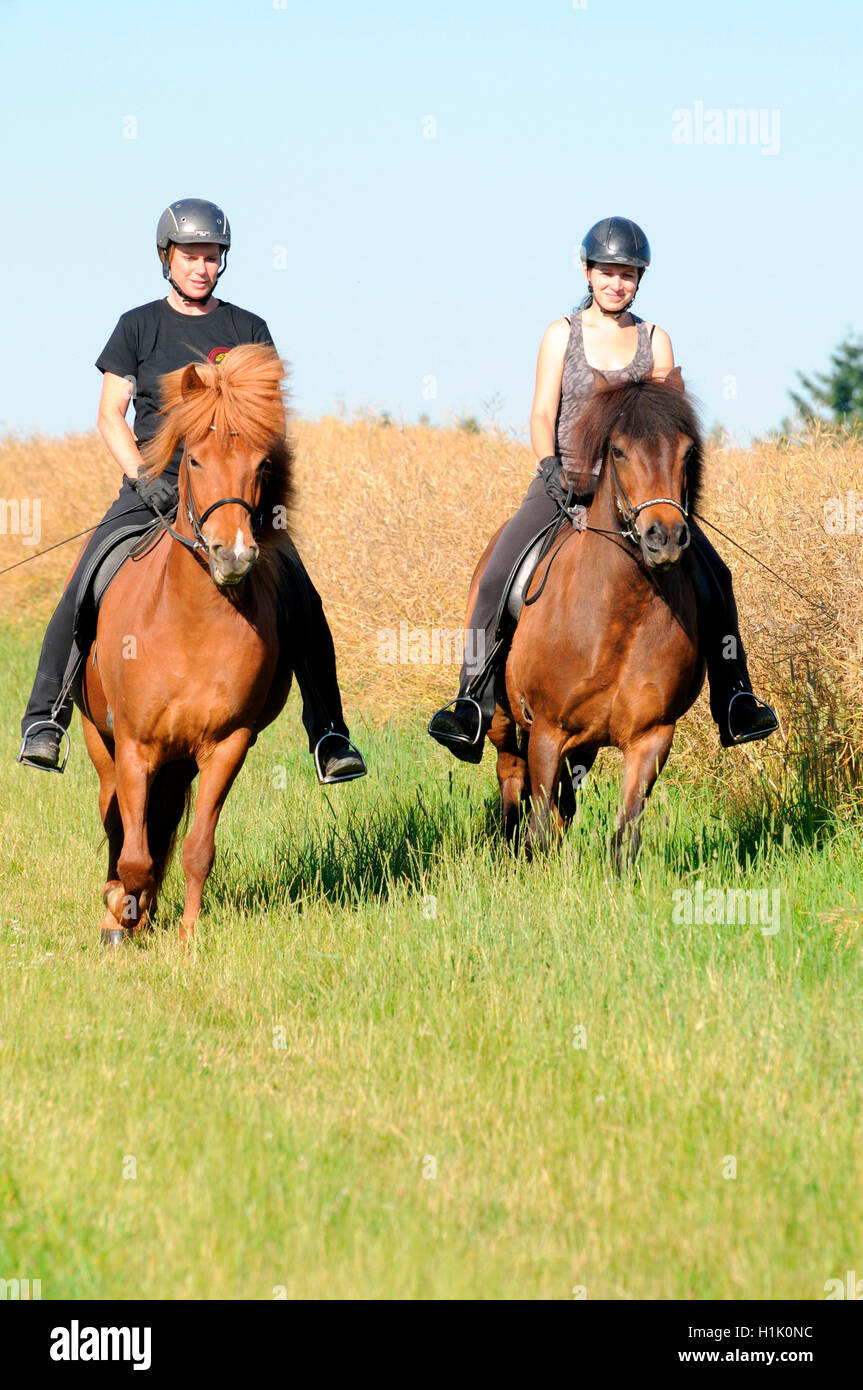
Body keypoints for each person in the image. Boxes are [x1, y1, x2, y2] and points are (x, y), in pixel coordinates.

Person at [18, 197, 366, 784]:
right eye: (190, 256)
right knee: (84, 579)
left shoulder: (248, 330)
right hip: (151, 489)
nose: (201, 268)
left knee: (302, 595)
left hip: (230, 494)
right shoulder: (137, 326)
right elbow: (110, 415)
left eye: (212, 257)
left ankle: (329, 733)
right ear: (167, 258)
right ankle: (45, 718)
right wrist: (143, 477)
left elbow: (269, 425)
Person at [428, 215, 778, 761]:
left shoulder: (656, 340)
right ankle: (471, 699)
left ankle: (735, 698)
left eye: (629, 274)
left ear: (640, 279)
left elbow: (671, 427)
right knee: (499, 571)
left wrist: (669, 489)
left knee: (716, 576)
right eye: (608, 272)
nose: (618, 283)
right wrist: (549, 468)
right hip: (565, 481)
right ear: (587, 272)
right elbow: (543, 412)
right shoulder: (561, 334)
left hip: (639, 492)